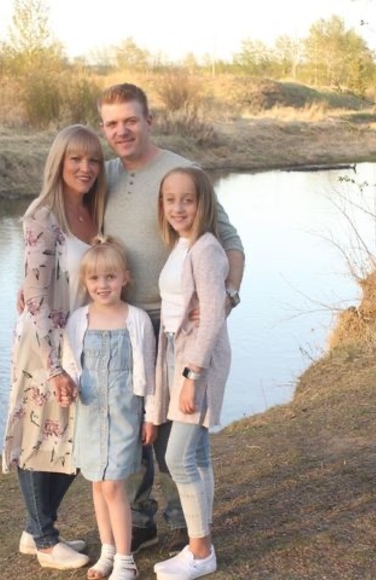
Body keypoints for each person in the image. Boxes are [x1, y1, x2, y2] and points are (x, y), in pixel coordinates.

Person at [97, 83, 245, 555]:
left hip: (173, 323)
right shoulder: (103, 176)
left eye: (130, 120)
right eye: (112, 124)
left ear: (149, 120)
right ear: (104, 128)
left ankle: (185, 521)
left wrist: (227, 296)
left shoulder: (182, 172)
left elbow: (229, 240)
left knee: (172, 432)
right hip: (122, 321)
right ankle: (138, 521)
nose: (122, 131)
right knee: (131, 426)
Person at [2, 124, 107, 570]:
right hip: (44, 342)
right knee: (39, 434)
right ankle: (45, 541)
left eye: (93, 160)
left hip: (81, 337)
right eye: (75, 159)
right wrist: (54, 366)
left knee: (78, 435)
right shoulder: (43, 215)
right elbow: (37, 295)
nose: (85, 168)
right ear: (59, 163)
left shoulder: (94, 209)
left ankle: (35, 530)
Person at [147, 166, 231, 579]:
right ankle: (202, 543)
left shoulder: (206, 249)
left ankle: (200, 552)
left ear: (203, 203)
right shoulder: (182, 245)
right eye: (170, 200)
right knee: (196, 455)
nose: (178, 208)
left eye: (187, 200)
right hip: (177, 356)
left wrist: (192, 376)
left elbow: (213, 315)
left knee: (177, 457)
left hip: (197, 362)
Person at [62, 236, 157, 580]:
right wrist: (67, 389)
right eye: (95, 278)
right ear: (85, 282)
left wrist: (150, 416)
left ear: (124, 278)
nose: (102, 285)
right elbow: (71, 365)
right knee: (98, 485)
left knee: (115, 485)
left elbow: (149, 372)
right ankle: (108, 551)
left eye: (110, 277)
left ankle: (126, 561)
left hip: (123, 415)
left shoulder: (137, 320)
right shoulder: (78, 320)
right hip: (89, 415)